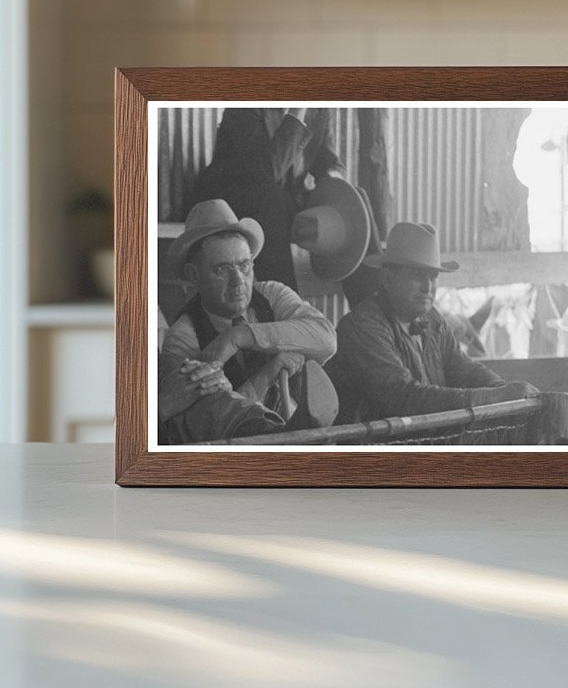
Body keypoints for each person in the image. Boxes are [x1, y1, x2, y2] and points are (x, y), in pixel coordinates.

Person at [158, 199, 338, 444]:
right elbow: (209, 419)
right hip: (238, 451)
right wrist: (268, 373)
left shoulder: (272, 294)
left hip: (296, 423)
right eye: (222, 270)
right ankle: (282, 435)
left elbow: (326, 338)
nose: (239, 282)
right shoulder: (183, 338)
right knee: (210, 397)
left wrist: (238, 336)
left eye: (244, 266)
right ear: (194, 275)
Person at [327, 222, 539, 423]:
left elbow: (463, 369)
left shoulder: (432, 319)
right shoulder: (363, 328)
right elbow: (404, 398)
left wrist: (502, 389)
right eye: (417, 276)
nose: (428, 287)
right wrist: (495, 397)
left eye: (433, 276)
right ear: (388, 279)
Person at [188, 107, 345, 290]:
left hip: (281, 201)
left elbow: (329, 163)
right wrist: (296, 113)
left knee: (356, 199)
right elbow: (267, 171)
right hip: (231, 201)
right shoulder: (243, 108)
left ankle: (367, 301)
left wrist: (337, 184)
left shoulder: (318, 110)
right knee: (271, 199)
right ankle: (284, 302)